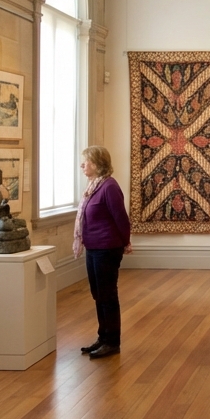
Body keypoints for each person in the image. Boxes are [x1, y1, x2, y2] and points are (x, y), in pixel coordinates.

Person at [73, 146, 132, 358]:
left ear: (97, 164)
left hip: (107, 248)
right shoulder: (93, 187)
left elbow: (121, 219)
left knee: (107, 295)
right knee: (98, 294)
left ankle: (112, 342)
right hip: (93, 247)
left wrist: (125, 243)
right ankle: (103, 337)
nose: (83, 165)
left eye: (86, 161)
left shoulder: (109, 187)